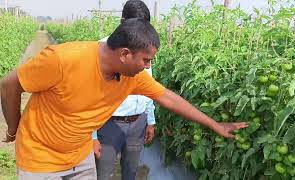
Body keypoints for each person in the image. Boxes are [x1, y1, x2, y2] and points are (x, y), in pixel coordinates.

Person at [1, 17, 248, 179]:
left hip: (79, 156)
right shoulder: (63, 60)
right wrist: (14, 126)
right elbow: (10, 84)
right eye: (146, 59)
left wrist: (215, 124)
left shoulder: (132, 77)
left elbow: (168, 98)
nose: (148, 65)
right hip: (40, 158)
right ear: (125, 54)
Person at [92, 1, 157, 180]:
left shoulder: (145, 48)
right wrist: (92, 135)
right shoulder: (103, 49)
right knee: (104, 173)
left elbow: (149, 86)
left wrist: (150, 119)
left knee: (131, 171)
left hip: (138, 123)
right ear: (122, 22)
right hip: (108, 123)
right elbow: (90, 95)